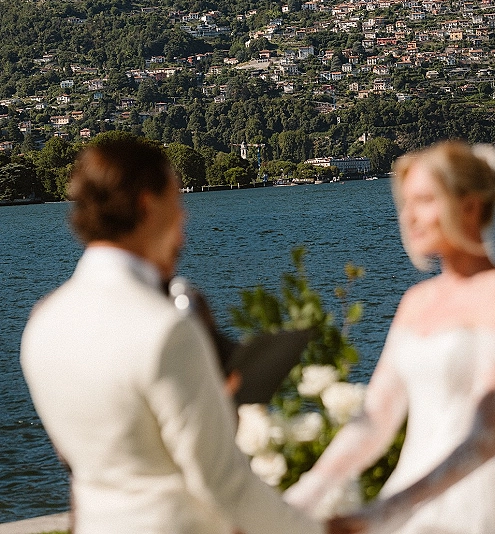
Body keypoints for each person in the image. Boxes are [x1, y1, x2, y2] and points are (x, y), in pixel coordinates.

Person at [20, 137, 342, 534]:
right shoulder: (165, 330)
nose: (184, 222)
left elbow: (71, 459)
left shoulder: (42, 322)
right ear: (146, 206)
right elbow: (224, 483)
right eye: (177, 203)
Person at [285, 140, 495, 533]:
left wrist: (384, 512)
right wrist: (296, 501)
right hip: (409, 495)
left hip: (480, 507)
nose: (409, 217)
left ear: (469, 206)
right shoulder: (415, 301)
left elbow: (485, 436)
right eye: (406, 203)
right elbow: (374, 420)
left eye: (424, 200)